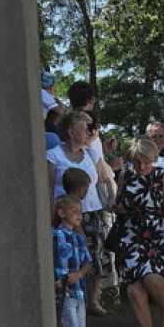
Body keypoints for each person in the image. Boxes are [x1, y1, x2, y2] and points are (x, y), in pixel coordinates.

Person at [113, 136, 164, 327]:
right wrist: (119, 206)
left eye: (146, 161)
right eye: (137, 162)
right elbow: (118, 204)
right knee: (134, 289)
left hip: (158, 236)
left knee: (153, 279)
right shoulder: (125, 175)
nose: (142, 167)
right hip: (131, 236)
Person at [46, 109, 115, 316]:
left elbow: (104, 178)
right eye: (84, 129)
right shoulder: (53, 155)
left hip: (92, 212)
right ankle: (73, 298)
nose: (88, 132)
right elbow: (49, 186)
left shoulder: (92, 153)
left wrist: (111, 199)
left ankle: (93, 300)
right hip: (66, 213)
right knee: (70, 256)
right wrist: (52, 213)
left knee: (94, 256)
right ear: (70, 131)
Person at [52, 195, 94, 327]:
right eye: (74, 211)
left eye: (80, 211)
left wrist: (79, 274)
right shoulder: (55, 235)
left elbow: (87, 263)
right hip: (65, 292)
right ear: (61, 213)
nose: (79, 215)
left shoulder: (79, 238)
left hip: (78, 291)